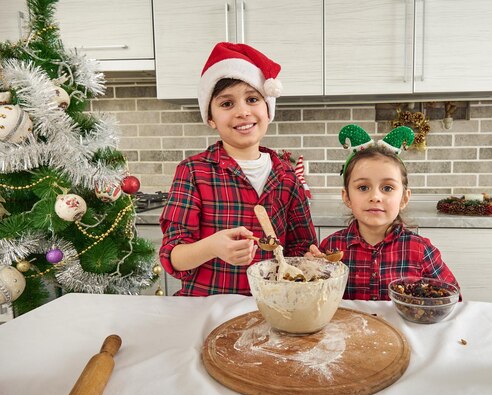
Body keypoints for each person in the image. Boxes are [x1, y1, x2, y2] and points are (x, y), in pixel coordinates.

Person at [159, 42, 317, 296]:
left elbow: (302, 248)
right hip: (207, 307)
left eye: (252, 99)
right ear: (210, 118)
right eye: (226, 104)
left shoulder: (287, 177)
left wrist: (311, 258)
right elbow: (172, 257)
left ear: (268, 110)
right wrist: (212, 247)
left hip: (271, 309)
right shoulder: (193, 172)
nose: (243, 111)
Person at [308, 124, 459, 301]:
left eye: (387, 188)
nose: (375, 197)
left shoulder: (420, 250)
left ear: (404, 198)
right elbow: (315, 300)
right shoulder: (331, 248)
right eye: (363, 187)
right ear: (347, 197)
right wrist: (310, 273)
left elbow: (453, 298)